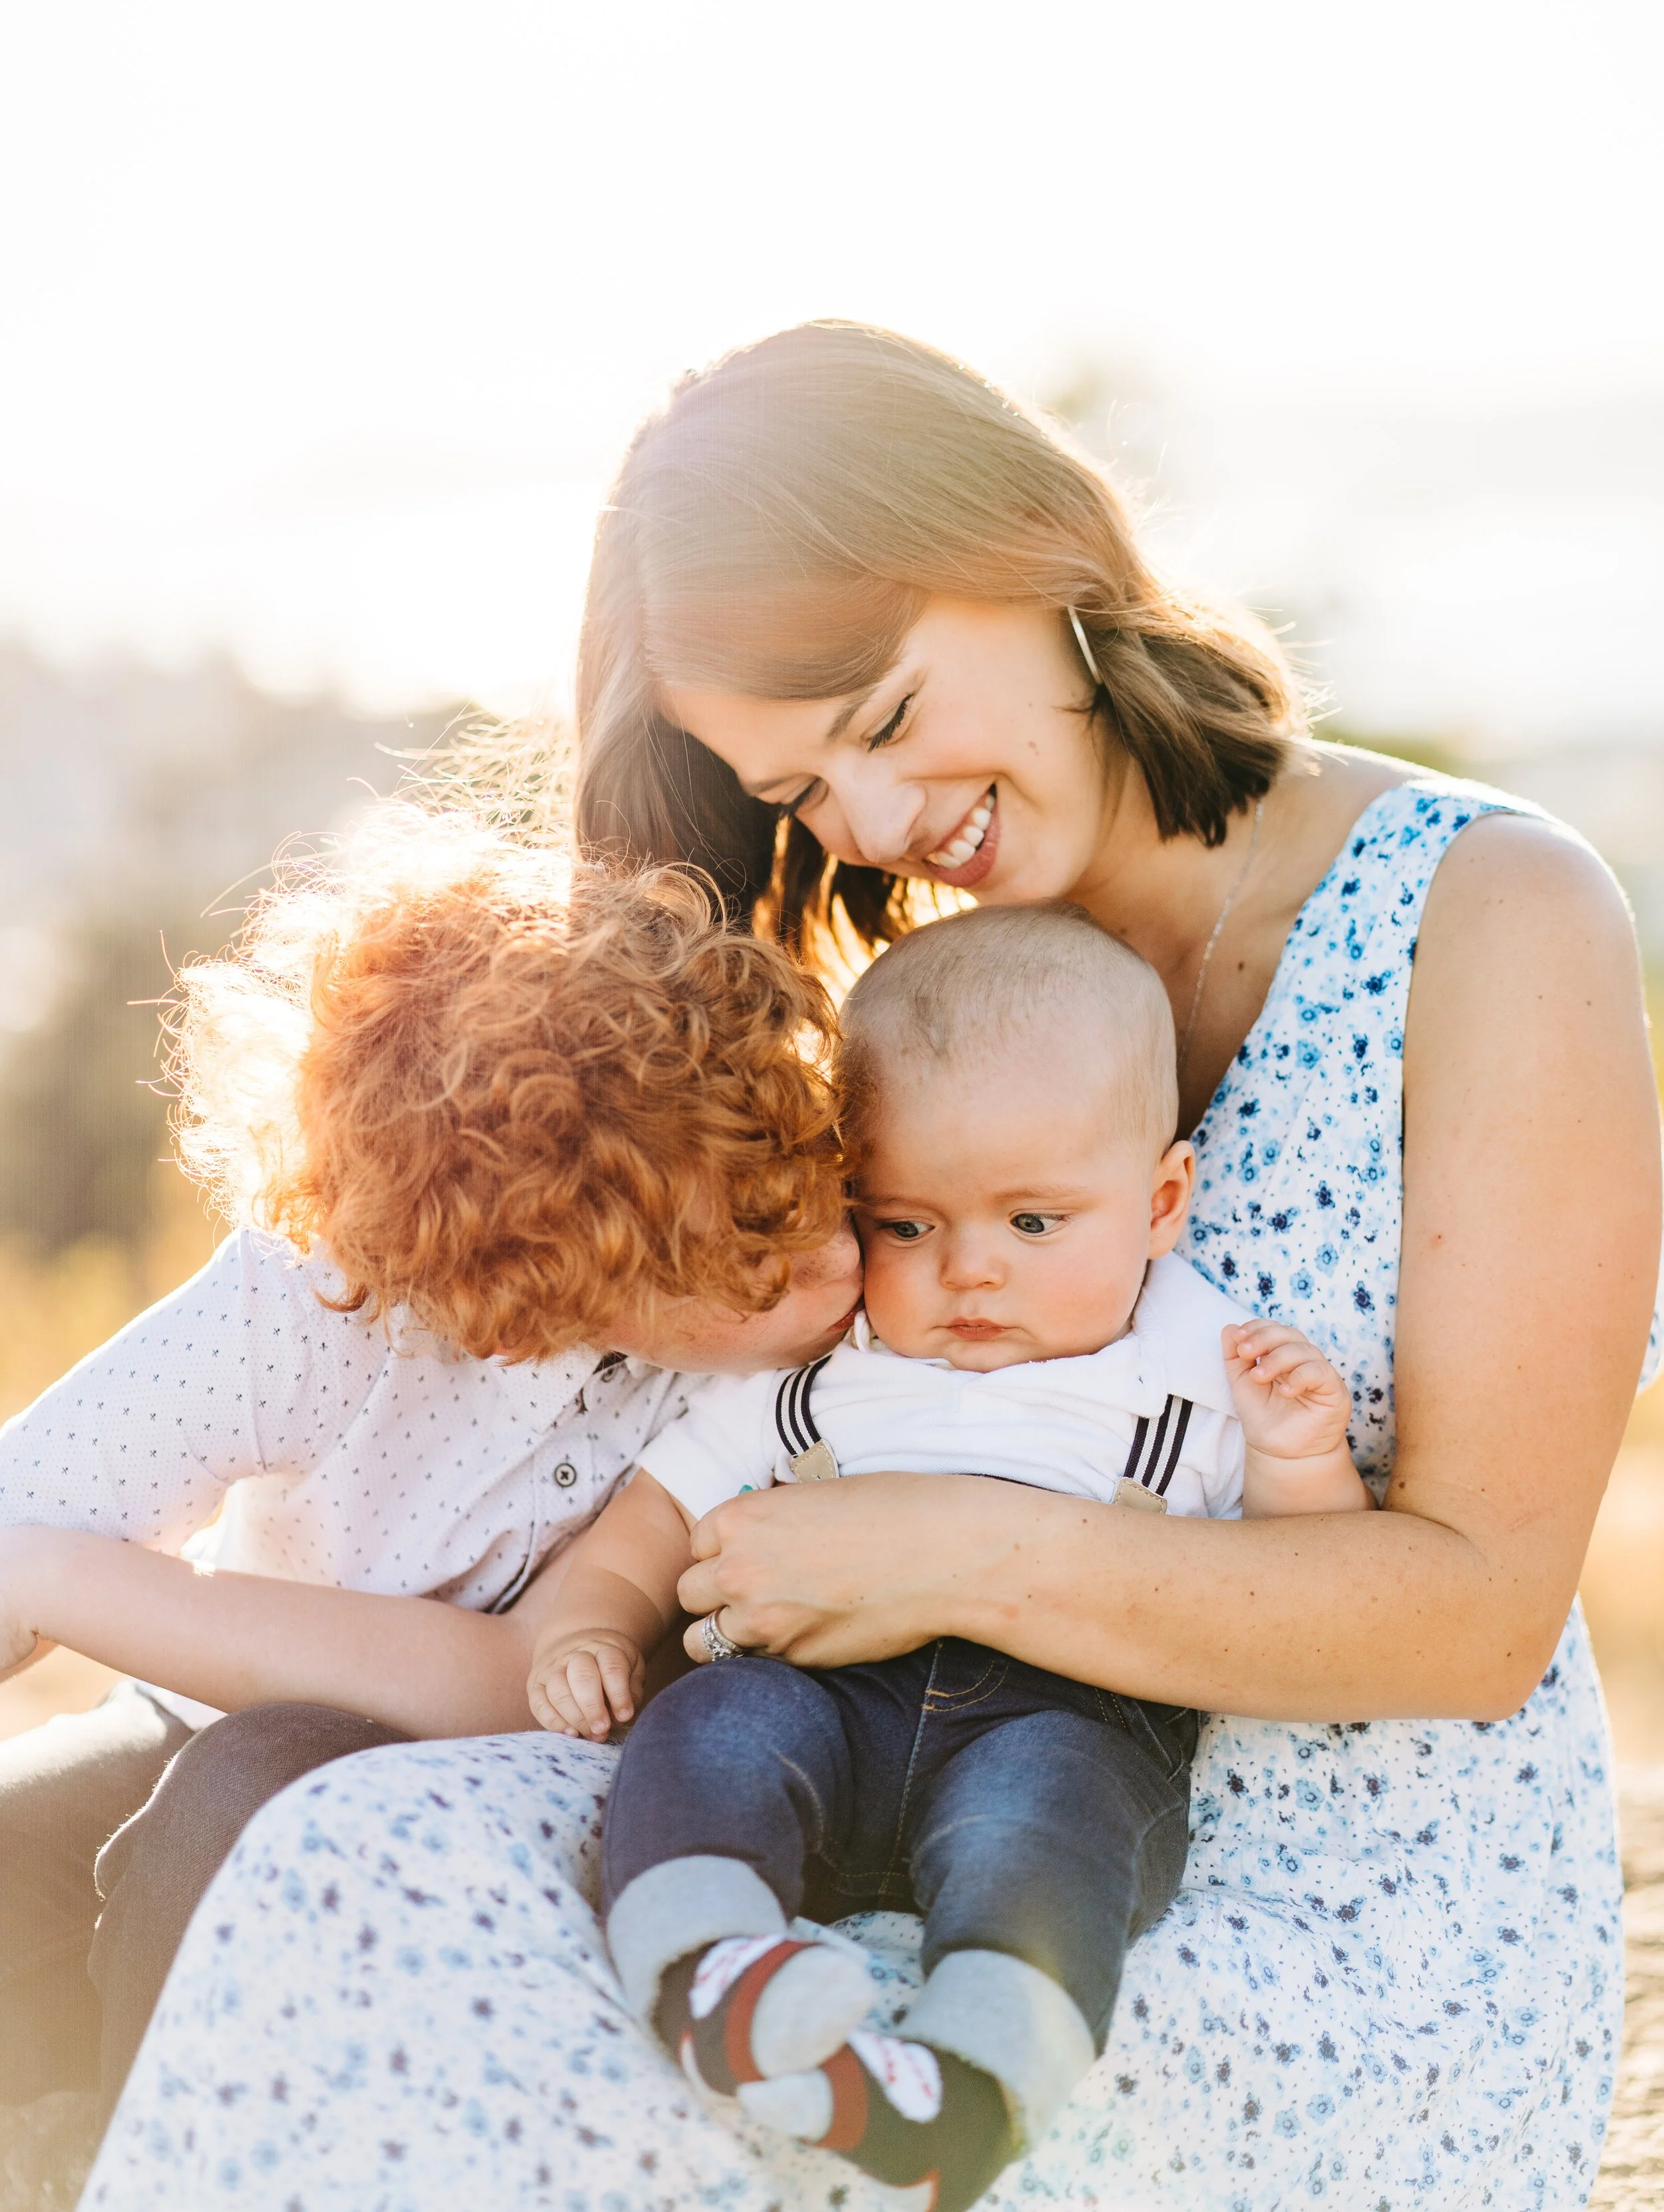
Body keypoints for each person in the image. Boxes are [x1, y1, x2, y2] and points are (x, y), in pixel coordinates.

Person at [87, 323, 1661, 2211]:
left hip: (1325, 1903)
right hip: (886, 1789)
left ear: (1025, 537)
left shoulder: (1487, 910)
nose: (879, 822)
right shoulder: (922, 970)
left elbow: (1477, 1613)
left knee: (403, 1947)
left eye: (890, 714)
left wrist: (950, 1548)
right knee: (303, 1824)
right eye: (803, 787)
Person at [0, 811, 860, 2135]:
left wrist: (63, 1579)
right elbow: (27, 1507)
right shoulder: (325, 1303)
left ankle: (136, 2147)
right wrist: (40, 1568)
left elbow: (514, 1682)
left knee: (248, 1797)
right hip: (196, 1709)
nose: (832, 1251)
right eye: (750, 1245)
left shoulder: (781, 1379)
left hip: (519, 1771)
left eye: (801, 1170)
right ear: (542, 1296)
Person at [530, 903, 1369, 2211]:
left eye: (1033, 1225)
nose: (970, 1272)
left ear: (1157, 1204)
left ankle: (963, 2092)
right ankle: (706, 1973)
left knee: (1046, 1823)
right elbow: (649, 1511)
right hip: (820, 1703)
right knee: (709, 1730)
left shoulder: (1195, 1375)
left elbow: (1309, 1599)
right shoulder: (822, 1375)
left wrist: (1302, 1458)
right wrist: (590, 1620)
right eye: (907, 1226)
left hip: (1058, 1719)